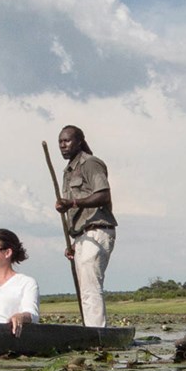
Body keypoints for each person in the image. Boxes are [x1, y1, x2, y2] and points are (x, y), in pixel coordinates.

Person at [53, 125, 116, 328]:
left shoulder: (90, 163)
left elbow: (103, 194)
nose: (63, 145)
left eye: (67, 141)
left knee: (90, 288)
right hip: (82, 235)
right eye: (60, 142)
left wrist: (72, 203)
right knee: (85, 288)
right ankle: (91, 330)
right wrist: (75, 242)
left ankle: (97, 334)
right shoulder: (68, 172)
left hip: (97, 230)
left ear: (79, 142)